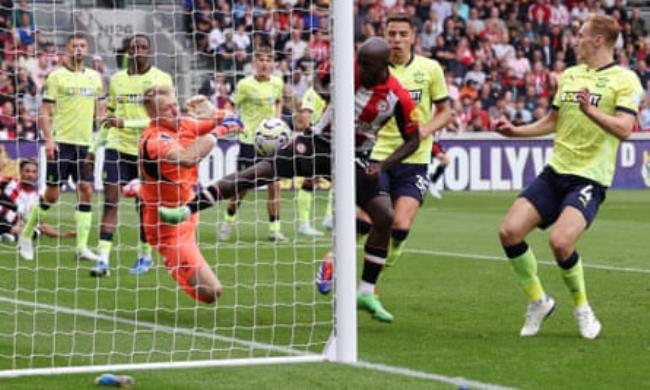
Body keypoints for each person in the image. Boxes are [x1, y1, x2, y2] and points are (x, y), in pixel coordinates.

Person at [159, 37, 422, 322]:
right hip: (318, 143)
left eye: (366, 66)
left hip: (355, 157)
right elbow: (320, 84)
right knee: (257, 173)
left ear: (382, 66)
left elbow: (414, 140)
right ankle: (186, 210)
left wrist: (383, 164)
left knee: (384, 217)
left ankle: (366, 292)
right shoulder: (348, 69)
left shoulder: (398, 97)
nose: (360, 68)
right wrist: (328, 92)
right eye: (359, 62)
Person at [494, 14, 643, 340]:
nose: (575, 40)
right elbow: (552, 121)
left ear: (598, 40)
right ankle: (538, 302)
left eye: (580, 35)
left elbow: (624, 129)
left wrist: (592, 111)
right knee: (509, 232)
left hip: (589, 177)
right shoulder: (570, 75)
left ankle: (582, 308)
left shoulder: (626, 79)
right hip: (555, 171)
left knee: (560, 242)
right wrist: (515, 132)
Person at [358, 14, 451, 268]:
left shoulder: (430, 69)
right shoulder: (373, 69)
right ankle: (333, 262)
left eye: (402, 34)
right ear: (384, 36)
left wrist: (421, 133)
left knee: (399, 225)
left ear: (413, 37)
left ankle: (397, 245)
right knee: (364, 220)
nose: (397, 39)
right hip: (378, 155)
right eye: (391, 34)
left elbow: (445, 113)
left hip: (415, 158)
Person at [139, 86, 241, 303]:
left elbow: (234, 120)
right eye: (168, 110)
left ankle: (178, 260)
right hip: (165, 225)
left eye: (176, 105)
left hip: (188, 210)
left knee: (211, 291)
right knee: (212, 293)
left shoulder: (185, 124)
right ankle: (172, 261)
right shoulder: (154, 140)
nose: (176, 112)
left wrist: (213, 111)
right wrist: (218, 131)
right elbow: (187, 157)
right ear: (154, 115)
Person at [89, 34, 173, 278]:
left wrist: (126, 122)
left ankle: (144, 256)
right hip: (117, 147)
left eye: (143, 46)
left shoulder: (162, 79)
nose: (138, 50)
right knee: (110, 201)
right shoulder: (116, 81)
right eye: (133, 47)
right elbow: (109, 119)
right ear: (127, 51)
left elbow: (165, 119)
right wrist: (94, 149)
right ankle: (103, 260)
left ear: (150, 51)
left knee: (144, 206)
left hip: (147, 150)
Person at [19, 33, 104, 261]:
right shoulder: (56, 77)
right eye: (74, 45)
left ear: (86, 50)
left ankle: (81, 247)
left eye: (82, 45)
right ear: (67, 48)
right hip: (61, 144)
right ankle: (26, 235)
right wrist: (48, 140)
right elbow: (44, 113)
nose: (78, 49)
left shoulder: (95, 77)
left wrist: (98, 141)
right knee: (53, 195)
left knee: (86, 190)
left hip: (85, 145)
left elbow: (101, 111)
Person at [220, 47, 287, 242]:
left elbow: (278, 102)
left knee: (275, 185)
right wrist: (231, 120)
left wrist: (278, 122)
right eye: (261, 59)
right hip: (249, 141)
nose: (265, 63)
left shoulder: (277, 83)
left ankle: (275, 229)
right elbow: (230, 105)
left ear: (272, 63)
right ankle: (228, 220)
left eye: (268, 60)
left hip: (271, 143)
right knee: (243, 186)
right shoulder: (244, 85)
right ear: (254, 63)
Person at [0, 159, 75, 243]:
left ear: (37, 175)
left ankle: (9, 235)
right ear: (20, 172)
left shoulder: (36, 198)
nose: (30, 175)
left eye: (34, 172)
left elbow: (42, 225)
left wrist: (63, 235)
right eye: (27, 171)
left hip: (16, 226)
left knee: (37, 230)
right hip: (5, 222)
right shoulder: (9, 182)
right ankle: (11, 232)